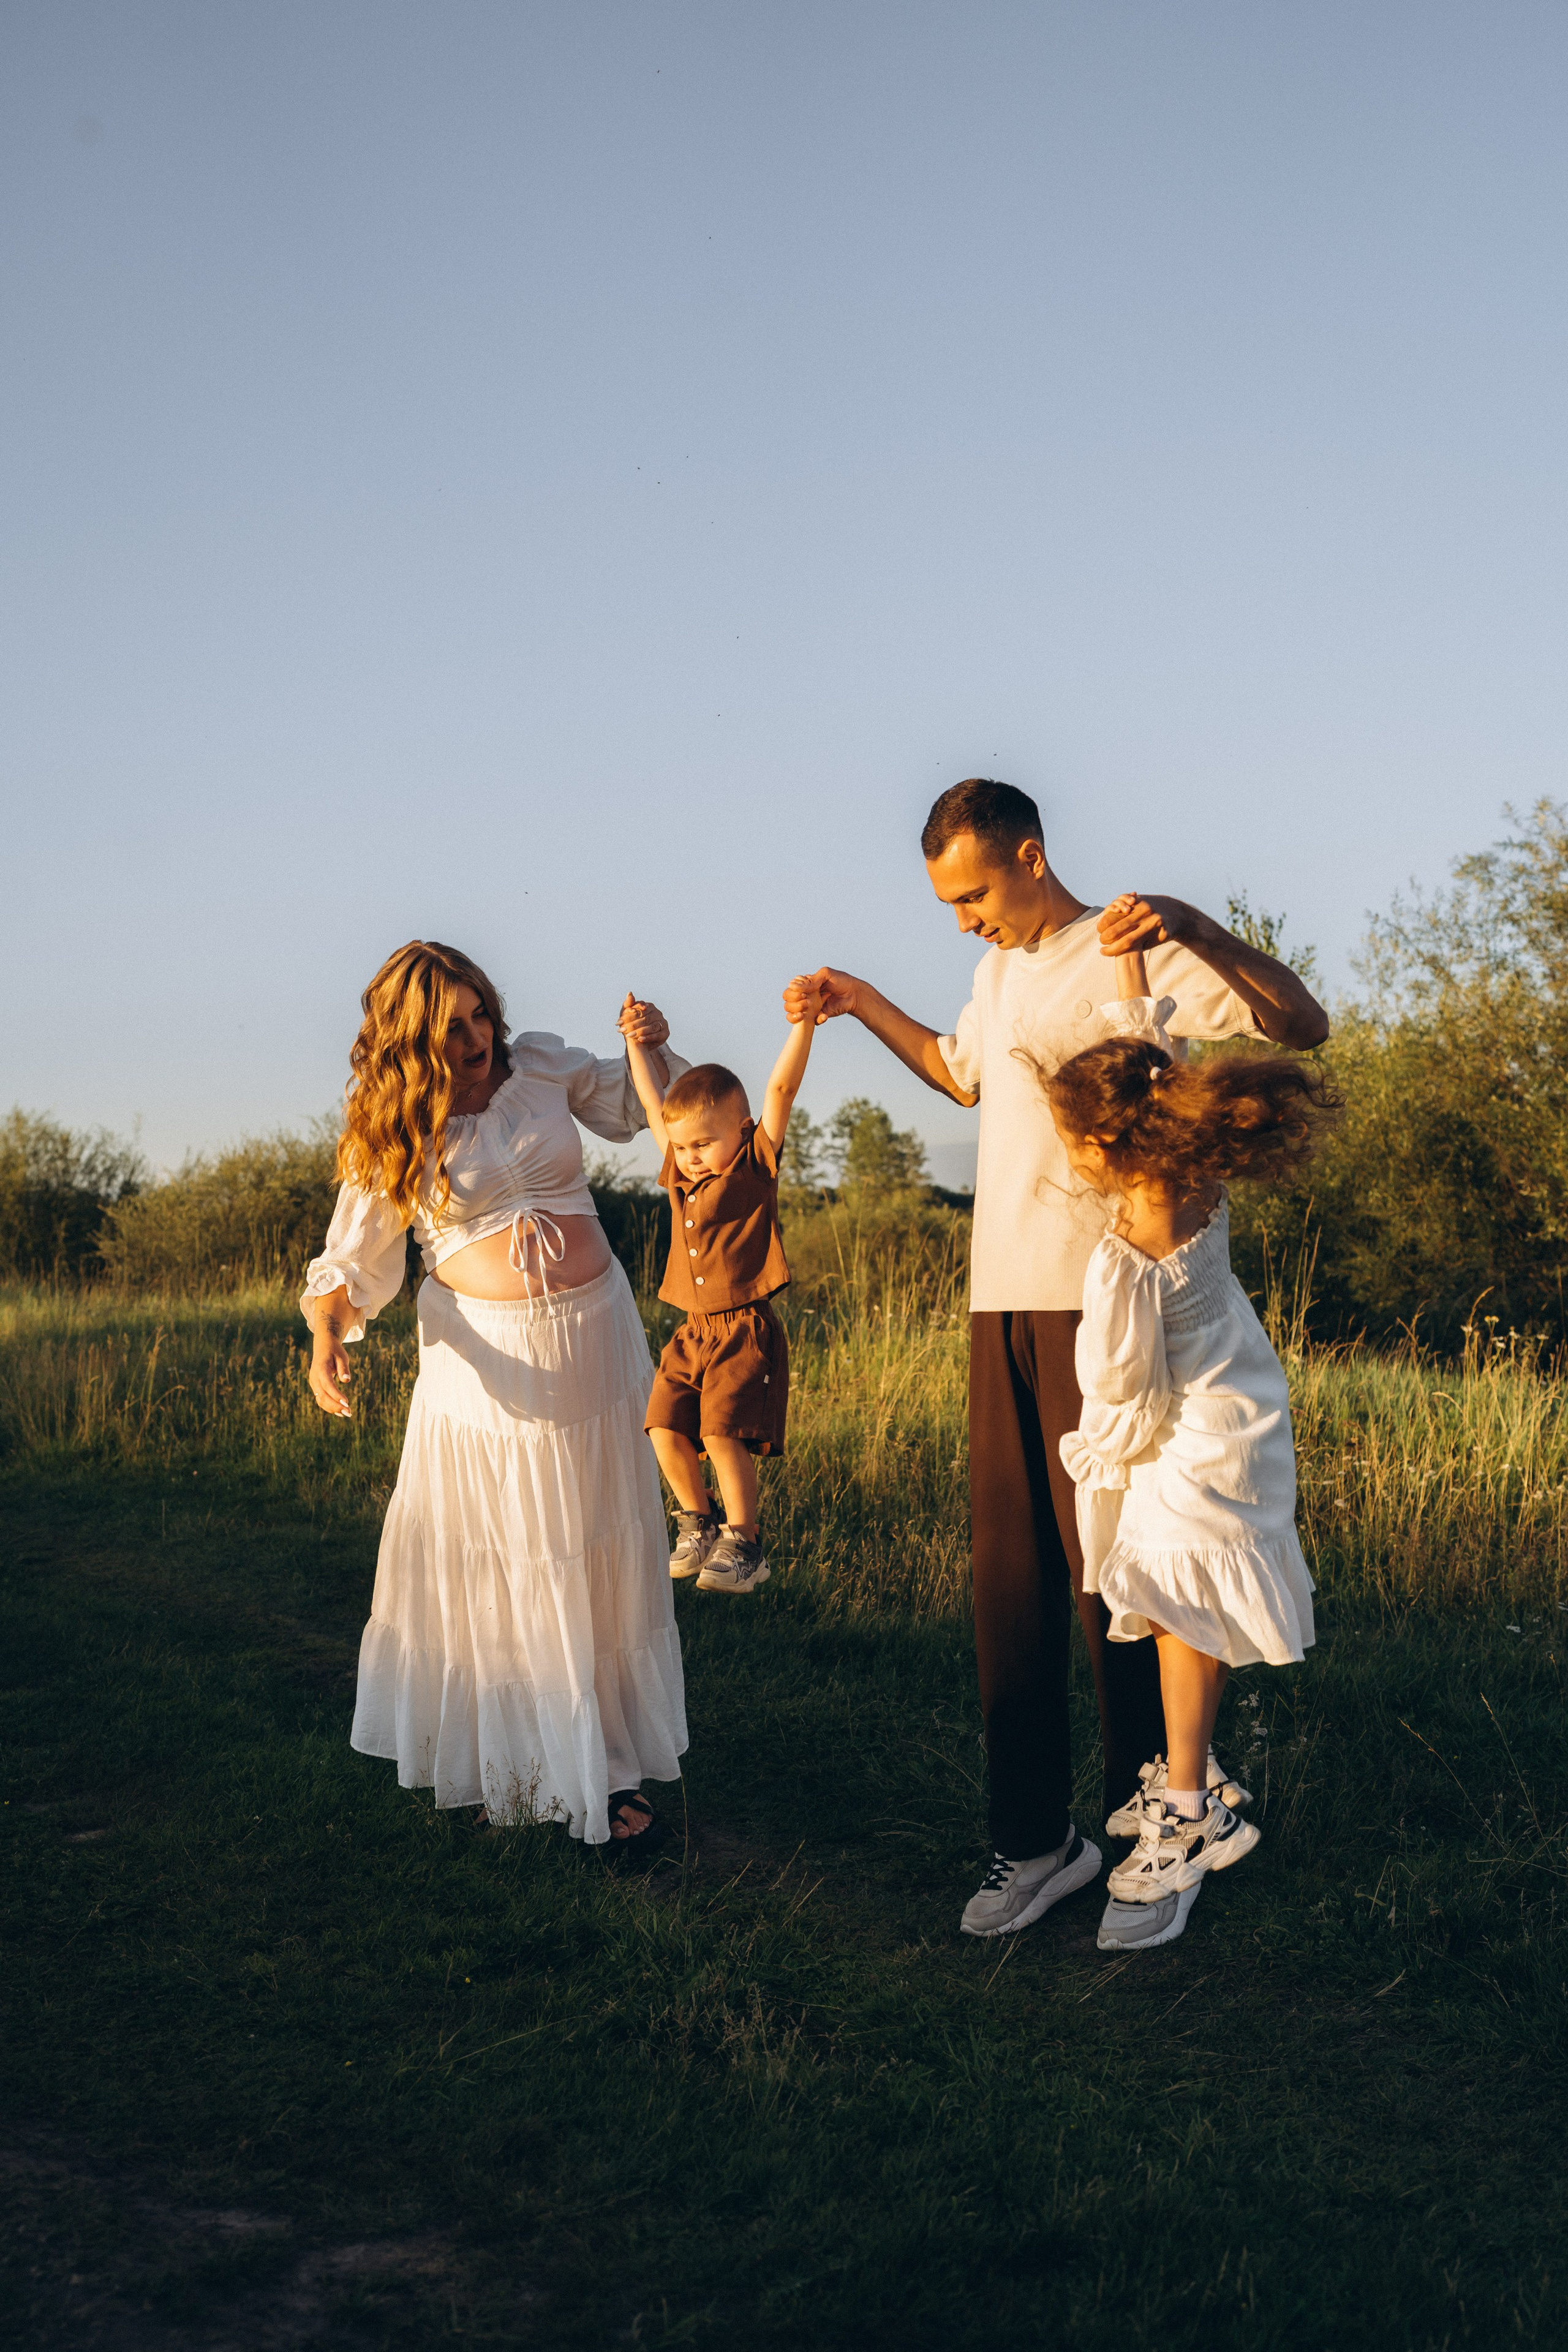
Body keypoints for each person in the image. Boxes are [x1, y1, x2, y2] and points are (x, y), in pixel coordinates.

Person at [790, 777, 1330, 1939]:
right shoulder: (997, 975)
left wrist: (1193, 922)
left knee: (1119, 1580)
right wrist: (854, 998)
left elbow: (1303, 1025)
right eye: (948, 901)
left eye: (973, 891)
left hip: (1116, 1310)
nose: (964, 917)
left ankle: (1160, 1824)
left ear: (1030, 856)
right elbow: (956, 1069)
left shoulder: (1133, 945)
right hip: (1003, 1304)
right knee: (1015, 1586)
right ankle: (1036, 1844)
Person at [301, 940, 690, 1859]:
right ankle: (510, 1769)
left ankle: (607, 1765)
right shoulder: (392, 1127)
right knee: (511, 1555)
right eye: (452, 1027)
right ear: (409, 1040)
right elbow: (353, 1262)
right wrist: (326, 1336)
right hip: (488, 1371)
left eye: (481, 1014)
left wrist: (653, 1045)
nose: (477, 1039)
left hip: (595, 1341)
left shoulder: (545, 1066)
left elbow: (643, 1112)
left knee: (593, 1548)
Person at [1045, 941, 1340, 1948]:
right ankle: (1192, 1768)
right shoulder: (1190, 1164)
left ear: (1105, 1148)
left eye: (1071, 1143)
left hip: (1195, 1439)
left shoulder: (1127, 1252)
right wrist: (1130, 971)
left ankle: (1189, 1811)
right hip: (1240, 1415)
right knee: (1183, 1607)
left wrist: (1095, 1455)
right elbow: (1148, 1051)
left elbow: (1124, 1392)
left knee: (1183, 1610)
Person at [620, 978, 824, 1594]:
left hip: (743, 1328)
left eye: (704, 1143)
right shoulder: (681, 1177)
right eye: (682, 1148)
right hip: (692, 1332)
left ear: (743, 1129)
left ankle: (745, 1543)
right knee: (662, 1426)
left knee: (719, 1431)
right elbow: (655, 1106)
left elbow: (781, 1088)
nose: (690, 1157)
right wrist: (634, 1042)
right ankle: (697, 1524)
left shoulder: (756, 1165)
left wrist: (805, 1024)